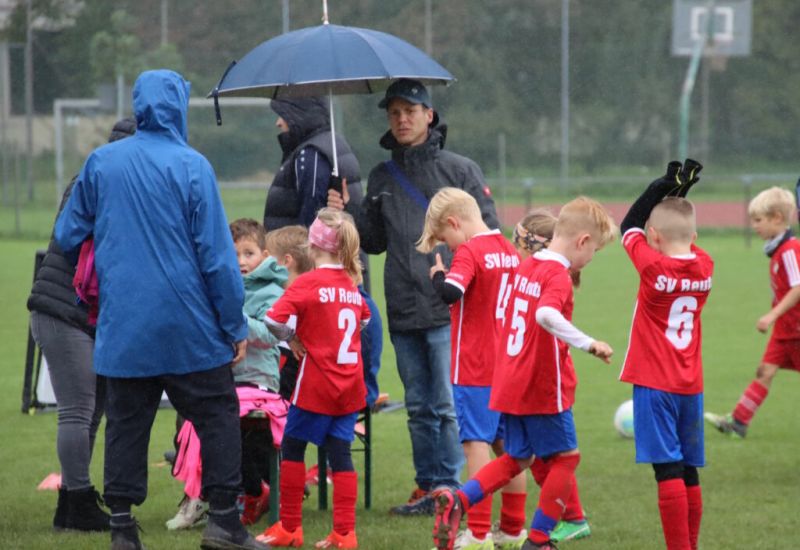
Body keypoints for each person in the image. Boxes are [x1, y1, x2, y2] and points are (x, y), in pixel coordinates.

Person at [53, 69, 267, 550]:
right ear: (179, 106)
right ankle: (224, 522)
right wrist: (234, 325)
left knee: (126, 425)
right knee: (217, 415)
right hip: (189, 327)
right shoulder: (193, 166)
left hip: (125, 326)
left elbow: (67, 234)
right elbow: (217, 259)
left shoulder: (101, 162)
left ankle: (122, 528)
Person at [330, 78, 499, 515]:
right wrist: (349, 209)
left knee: (447, 404)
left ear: (429, 115)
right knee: (419, 408)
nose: (402, 119)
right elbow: (373, 243)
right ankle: (427, 487)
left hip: (450, 306)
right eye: (395, 113)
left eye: (410, 111)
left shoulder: (460, 170)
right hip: (403, 306)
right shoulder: (382, 176)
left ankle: (450, 489)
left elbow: (489, 233)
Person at [432, 197, 616, 550]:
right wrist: (589, 343)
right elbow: (546, 315)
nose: (590, 259)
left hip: (510, 381)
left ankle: (460, 500)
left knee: (518, 458)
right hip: (542, 384)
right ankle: (539, 538)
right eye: (594, 251)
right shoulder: (557, 276)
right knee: (567, 458)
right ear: (582, 241)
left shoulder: (526, 266)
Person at [26, 117, 135, 533]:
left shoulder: (96, 177)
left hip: (90, 315)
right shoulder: (97, 182)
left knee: (92, 412)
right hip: (64, 312)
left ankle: (72, 506)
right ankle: (78, 500)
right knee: (77, 410)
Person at [416, 188, 527, 550]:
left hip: (475, 366)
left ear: (454, 222)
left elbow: (451, 292)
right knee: (508, 451)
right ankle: (513, 528)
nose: (448, 247)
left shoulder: (470, 251)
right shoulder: (508, 250)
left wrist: (438, 274)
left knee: (475, 444)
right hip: (508, 365)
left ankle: (478, 533)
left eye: (445, 238)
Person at [257, 208, 370, 549]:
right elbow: (364, 320)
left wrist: (293, 338)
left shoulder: (308, 282)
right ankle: (345, 534)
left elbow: (272, 320)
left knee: (293, 447)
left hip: (317, 384)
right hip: (350, 386)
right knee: (341, 454)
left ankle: (290, 527)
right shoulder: (350, 284)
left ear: (313, 245)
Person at [618, 160, 713, 550]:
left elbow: (629, 226)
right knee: (689, 469)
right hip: (690, 385)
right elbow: (677, 232)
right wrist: (677, 197)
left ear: (653, 236)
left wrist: (660, 187)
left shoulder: (653, 267)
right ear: (695, 235)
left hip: (655, 384)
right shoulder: (705, 266)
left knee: (667, 469)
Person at [509, 210, 592, 544]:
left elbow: (544, 319)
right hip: (532, 379)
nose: (514, 250)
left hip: (545, 381)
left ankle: (567, 519)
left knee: (555, 457)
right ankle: (569, 517)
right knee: (547, 457)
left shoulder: (544, 276)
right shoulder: (539, 274)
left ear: (533, 245)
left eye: (517, 243)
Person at [704, 185, 800, 438]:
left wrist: (771, 315)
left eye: (758, 220)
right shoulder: (778, 250)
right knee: (764, 372)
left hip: (796, 330)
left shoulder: (790, 250)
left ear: (777, 218)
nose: (754, 226)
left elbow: (798, 288)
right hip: (785, 331)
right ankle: (738, 423)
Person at [263, 97, 363, 231]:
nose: (278, 123)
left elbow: (311, 221)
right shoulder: (334, 143)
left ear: (298, 116)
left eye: (284, 115)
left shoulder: (312, 153)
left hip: (307, 245)